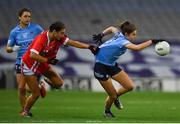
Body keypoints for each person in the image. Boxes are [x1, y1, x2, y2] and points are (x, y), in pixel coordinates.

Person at [20, 21, 99, 117]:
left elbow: (73, 43)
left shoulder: (59, 38)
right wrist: (47, 60)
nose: (63, 35)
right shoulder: (42, 38)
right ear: (54, 31)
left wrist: (89, 47)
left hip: (42, 63)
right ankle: (25, 111)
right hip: (29, 65)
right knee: (35, 94)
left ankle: (40, 85)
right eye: (61, 33)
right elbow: (32, 55)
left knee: (59, 84)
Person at [92, 21, 163, 118]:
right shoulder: (123, 41)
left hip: (111, 65)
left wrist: (101, 34)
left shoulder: (119, 35)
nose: (135, 36)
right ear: (126, 34)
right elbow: (137, 48)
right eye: (133, 34)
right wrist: (152, 41)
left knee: (129, 86)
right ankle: (107, 111)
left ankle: (115, 97)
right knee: (112, 95)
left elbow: (112, 28)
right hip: (100, 67)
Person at [6, 8, 46, 113]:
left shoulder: (36, 28)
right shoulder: (14, 32)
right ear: (20, 17)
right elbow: (7, 48)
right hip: (20, 62)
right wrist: (14, 48)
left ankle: (38, 87)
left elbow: (45, 38)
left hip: (32, 62)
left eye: (29, 16)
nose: (28, 18)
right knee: (21, 88)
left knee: (29, 89)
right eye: (25, 16)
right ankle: (25, 110)